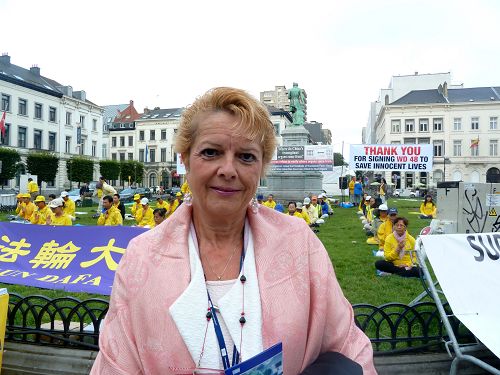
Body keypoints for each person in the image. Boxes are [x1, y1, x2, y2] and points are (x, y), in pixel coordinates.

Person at [91, 87, 375, 374]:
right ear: (186, 159)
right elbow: (116, 363)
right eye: (211, 152)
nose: (228, 169)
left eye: (246, 157)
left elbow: (350, 347)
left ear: (262, 167)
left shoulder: (299, 243)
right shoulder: (142, 257)